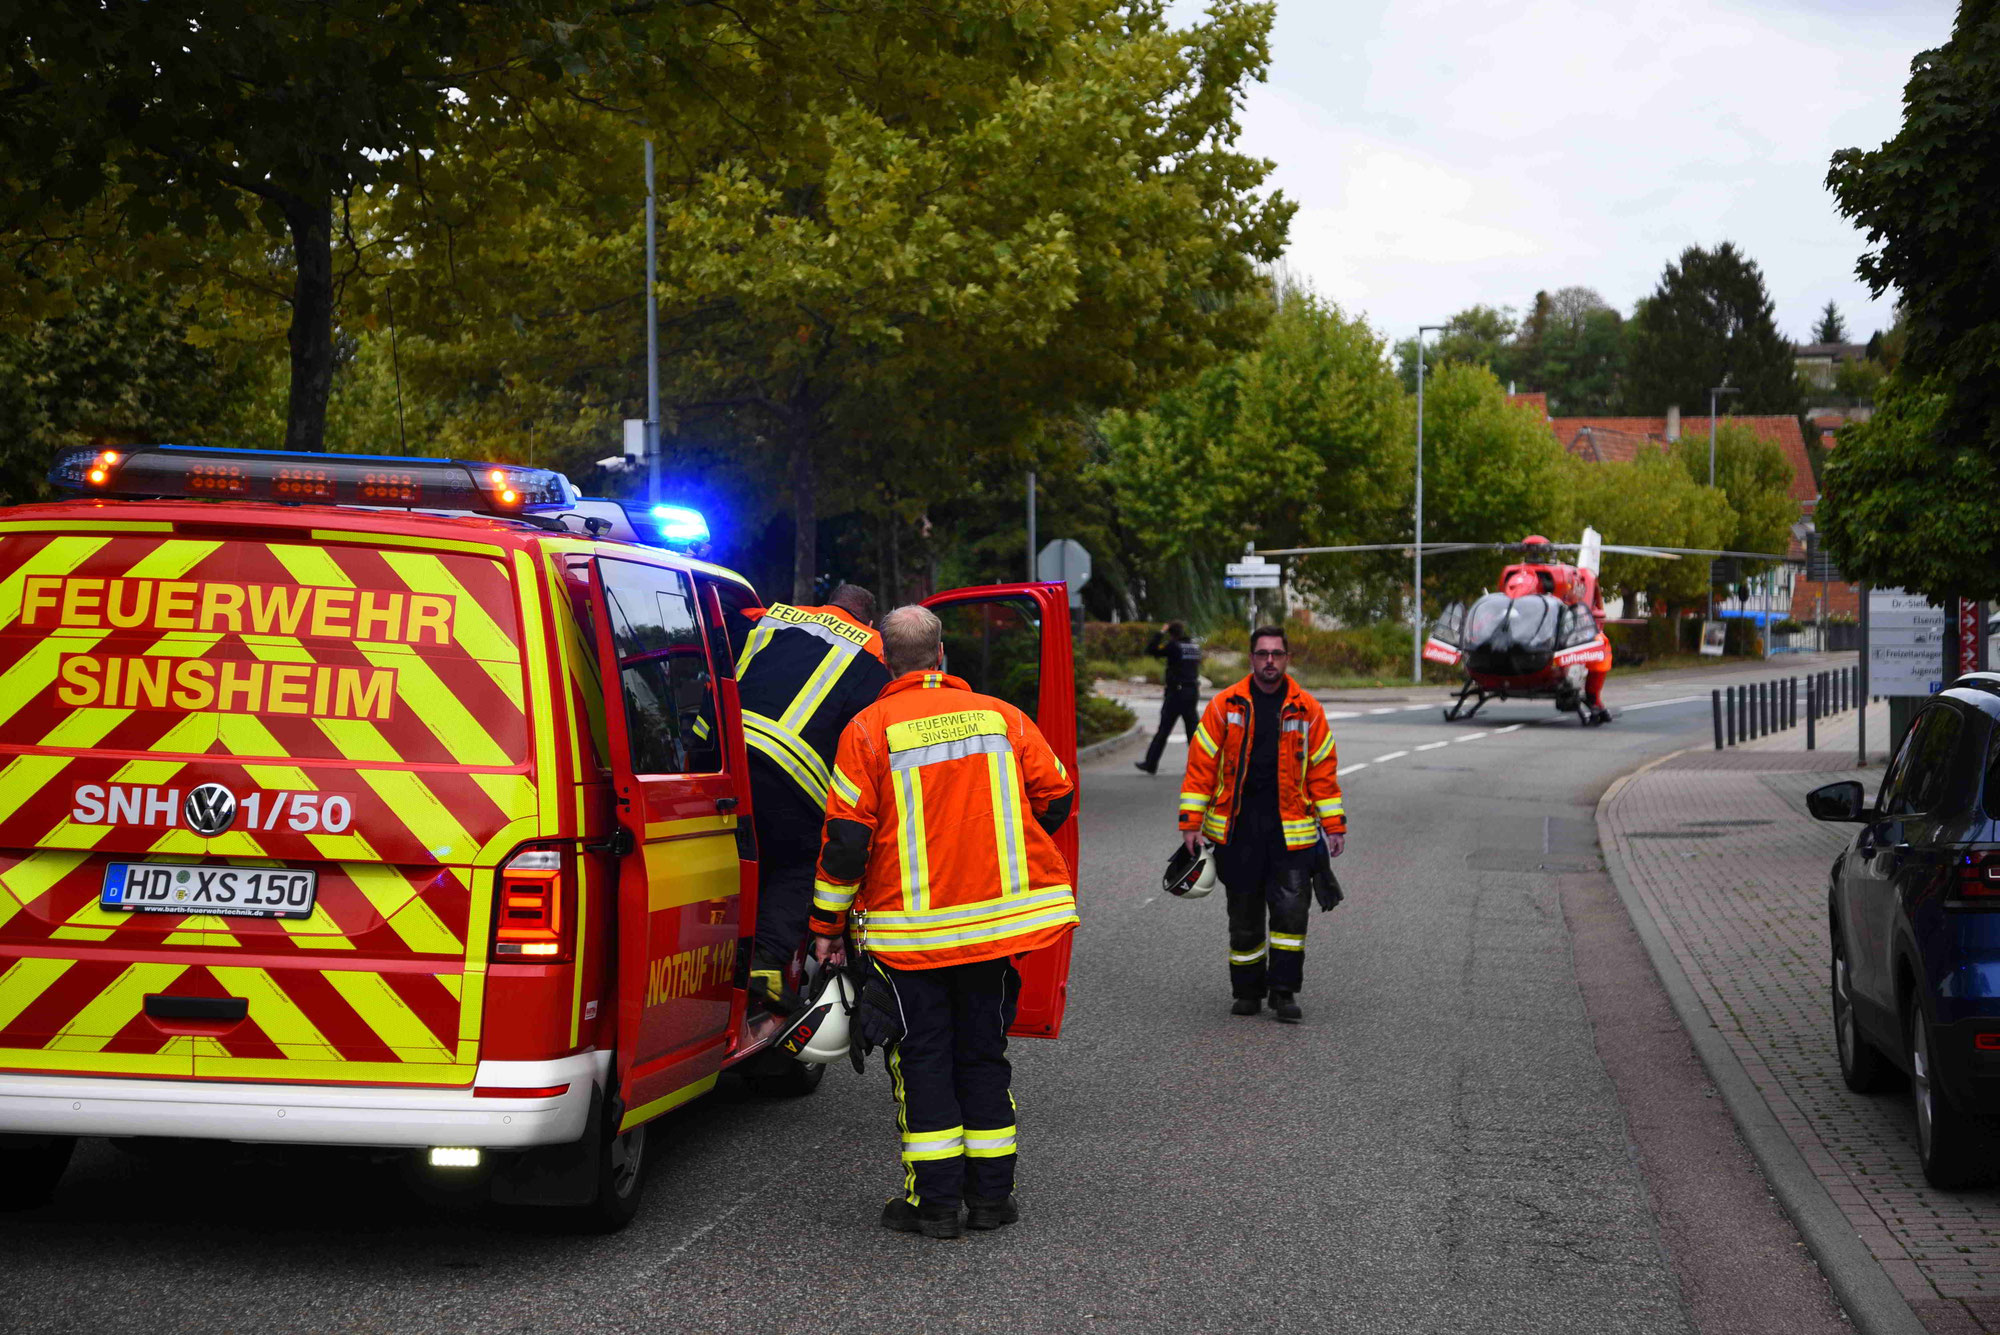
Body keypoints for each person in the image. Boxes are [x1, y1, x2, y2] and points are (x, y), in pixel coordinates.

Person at [808, 605, 1077, 1239]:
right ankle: (991, 1200)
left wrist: (826, 924)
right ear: (942, 653)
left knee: (923, 1057)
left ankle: (933, 1207)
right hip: (991, 929)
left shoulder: (868, 731)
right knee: (983, 1053)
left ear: (883, 660)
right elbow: (1058, 796)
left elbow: (846, 842)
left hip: (910, 938)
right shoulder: (1001, 717)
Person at [733, 583, 891, 1011]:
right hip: (792, 773)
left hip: (727, 758)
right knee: (800, 861)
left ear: (827, 603)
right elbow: (868, 729)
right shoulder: (875, 650)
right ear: (869, 620)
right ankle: (765, 965)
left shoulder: (773, 614)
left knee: (734, 855)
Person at [1177, 626, 1345, 1023]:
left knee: (1291, 915)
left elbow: (1323, 772)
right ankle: (1248, 991)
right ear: (1251, 659)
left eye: (1277, 654)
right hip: (1239, 832)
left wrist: (1334, 824)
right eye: (1262, 654)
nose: (1270, 660)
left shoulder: (1309, 710)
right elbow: (1201, 766)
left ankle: (1284, 992)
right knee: (1245, 915)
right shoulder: (1224, 705)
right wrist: (1191, 821)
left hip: (1292, 832)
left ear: (1287, 659)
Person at [1134, 621, 1203, 775]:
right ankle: (1200, 766)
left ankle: (1150, 763)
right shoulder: (1193, 647)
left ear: (1171, 633)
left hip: (1176, 693)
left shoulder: (1174, 646)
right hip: (1192, 692)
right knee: (1193, 731)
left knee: (1164, 729)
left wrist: (1160, 632)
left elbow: (1151, 650)